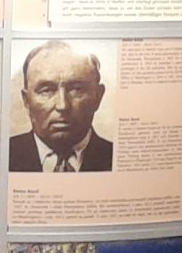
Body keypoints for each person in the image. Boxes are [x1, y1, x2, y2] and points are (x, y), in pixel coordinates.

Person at [8, 43, 115, 173]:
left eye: (76, 89)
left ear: (98, 96)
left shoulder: (115, 157)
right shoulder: (3, 154)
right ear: (26, 101)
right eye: (46, 90)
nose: (62, 105)